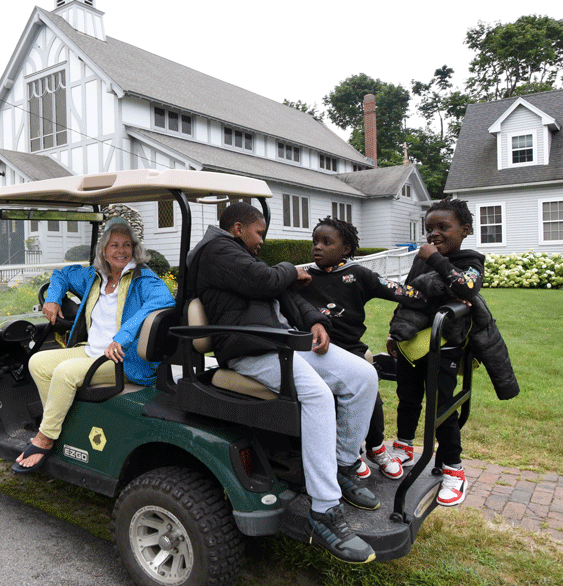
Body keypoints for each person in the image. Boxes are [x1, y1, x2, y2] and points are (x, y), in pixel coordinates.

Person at [187, 202, 379, 564]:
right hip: (251, 348)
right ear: (240, 227)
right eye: (260, 232)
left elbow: (284, 294)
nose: (263, 240)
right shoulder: (216, 250)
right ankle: (323, 509)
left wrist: (314, 322)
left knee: (364, 376)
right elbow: (269, 281)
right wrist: (290, 269)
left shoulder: (240, 252)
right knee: (318, 396)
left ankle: (341, 463)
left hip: (284, 340)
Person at [13, 217, 175, 473]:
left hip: (124, 358)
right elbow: (62, 274)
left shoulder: (144, 279)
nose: (121, 250)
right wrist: (54, 298)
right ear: (104, 250)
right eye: (114, 245)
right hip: (92, 350)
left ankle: (45, 438)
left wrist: (122, 337)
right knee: (38, 362)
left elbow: (163, 300)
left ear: (134, 249)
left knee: (65, 373)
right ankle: (57, 425)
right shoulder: (95, 276)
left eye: (126, 245)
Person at [386, 197, 517, 506]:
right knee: (407, 398)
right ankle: (404, 447)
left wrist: (435, 260)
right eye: (429, 228)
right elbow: (408, 296)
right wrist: (394, 332)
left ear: (465, 230)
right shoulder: (424, 259)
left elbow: (466, 287)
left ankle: (453, 470)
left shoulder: (471, 261)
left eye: (443, 227)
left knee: (441, 409)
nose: (434, 234)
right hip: (411, 344)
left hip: (444, 347)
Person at [304, 216, 427, 480]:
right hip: (318, 354)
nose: (318, 247)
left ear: (346, 248)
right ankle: (350, 453)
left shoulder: (358, 275)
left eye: (327, 242)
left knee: (370, 397)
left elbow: (400, 292)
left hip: (351, 350)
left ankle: (375, 448)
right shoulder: (303, 278)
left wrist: (438, 298)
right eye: (315, 241)